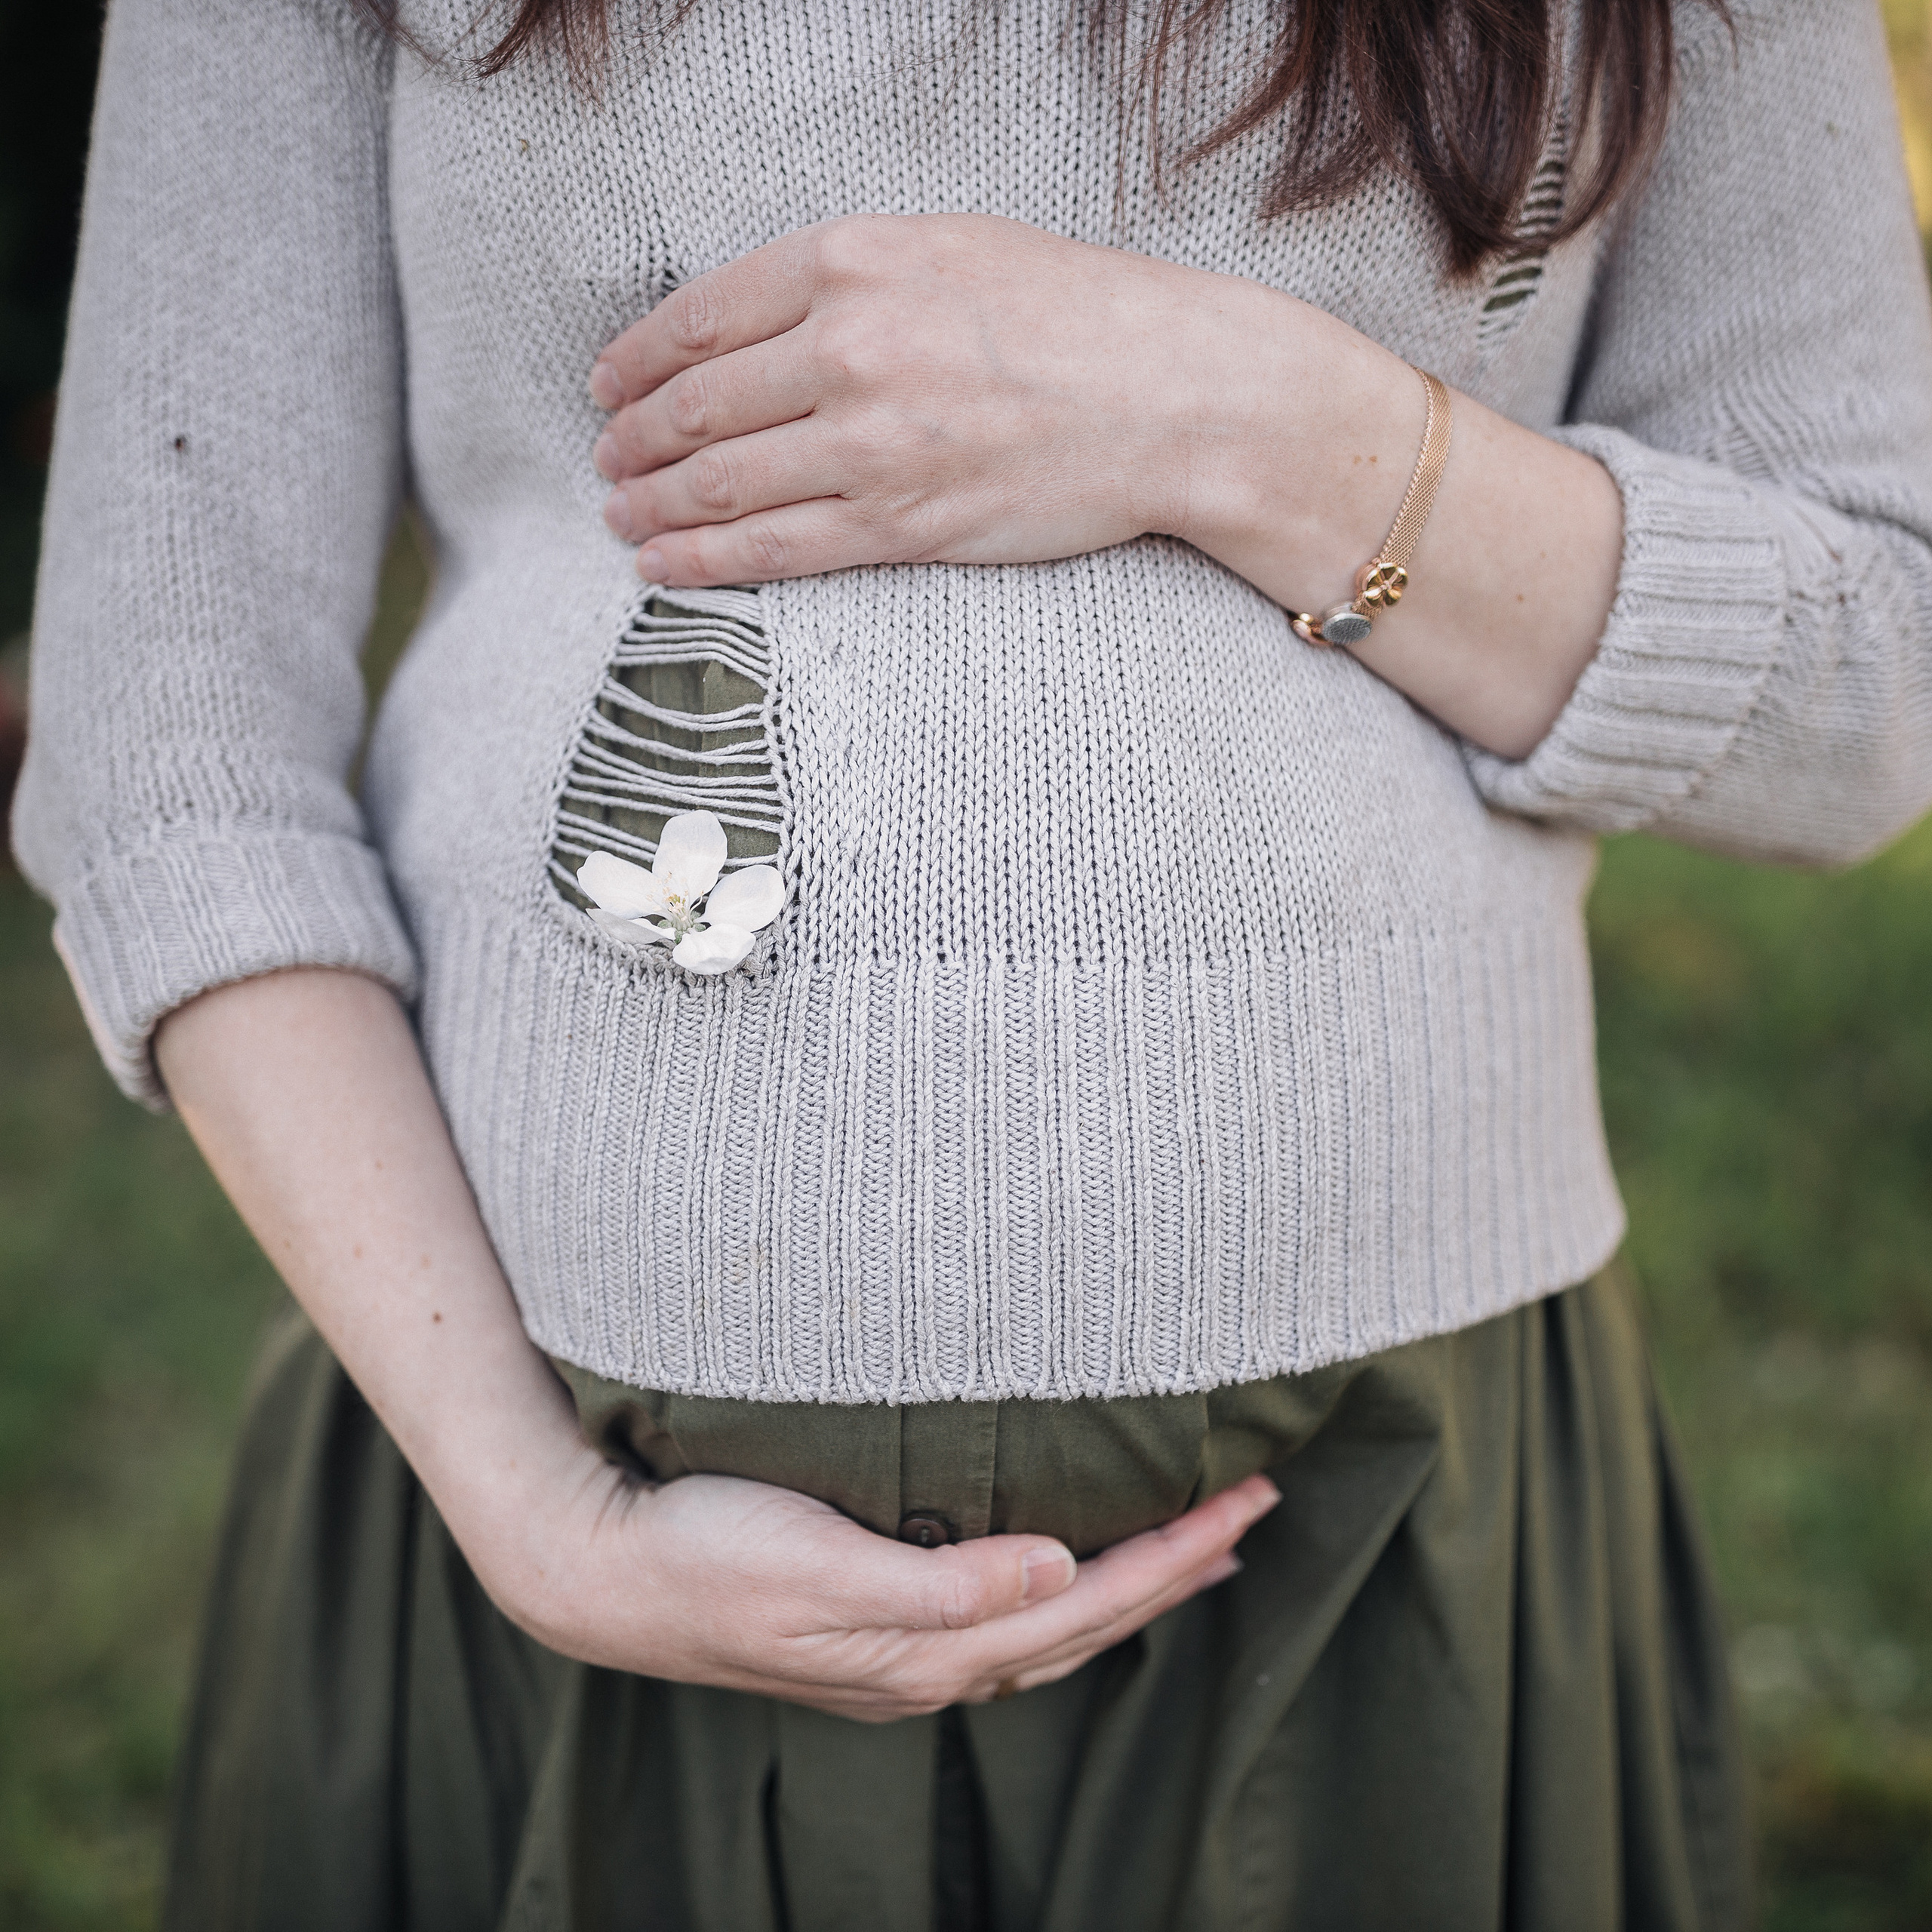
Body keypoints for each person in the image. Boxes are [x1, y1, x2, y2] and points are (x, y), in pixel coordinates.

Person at [14, 0, 1932, 1924]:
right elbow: (171, 749)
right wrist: (535, 1508)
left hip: (1381, 1533)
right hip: (524, 1497)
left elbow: (1867, 678)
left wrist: (1231, 416)